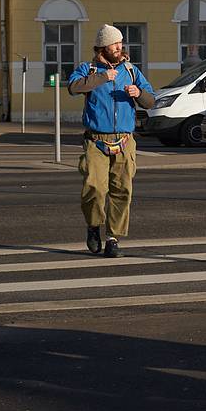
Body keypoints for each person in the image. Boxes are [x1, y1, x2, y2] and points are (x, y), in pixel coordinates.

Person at [67, 24, 155, 258]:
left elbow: (151, 101)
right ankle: (94, 226)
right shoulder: (88, 69)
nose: (119, 47)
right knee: (95, 188)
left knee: (122, 190)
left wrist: (139, 93)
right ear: (102, 47)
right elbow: (73, 87)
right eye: (114, 43)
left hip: (125, 140)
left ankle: (113, 238)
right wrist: (101, 78)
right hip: (96, 140)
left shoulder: (132, 71)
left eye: (120, 43)